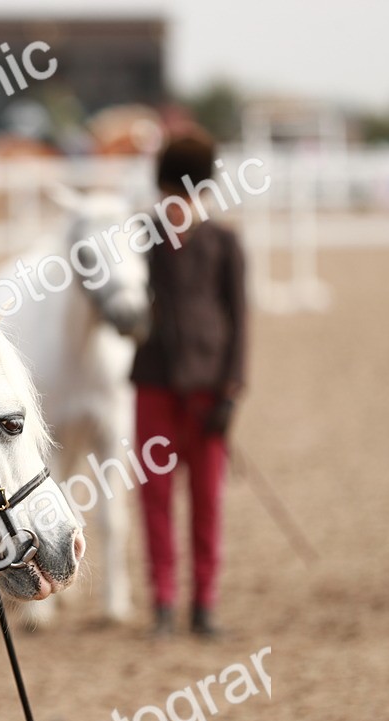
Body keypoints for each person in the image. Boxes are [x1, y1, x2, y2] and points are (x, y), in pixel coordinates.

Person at [130, 129, 248, 639]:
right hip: (153, 384)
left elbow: (240, 320)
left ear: (203, 192)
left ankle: (203, 603)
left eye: (186, 193)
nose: (177, 204)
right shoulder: (142, 237)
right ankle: (162, 602)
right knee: (154, 497)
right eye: (169, 194)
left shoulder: (225, 243)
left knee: (207, 499)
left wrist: (232, 389)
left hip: (207, 390)